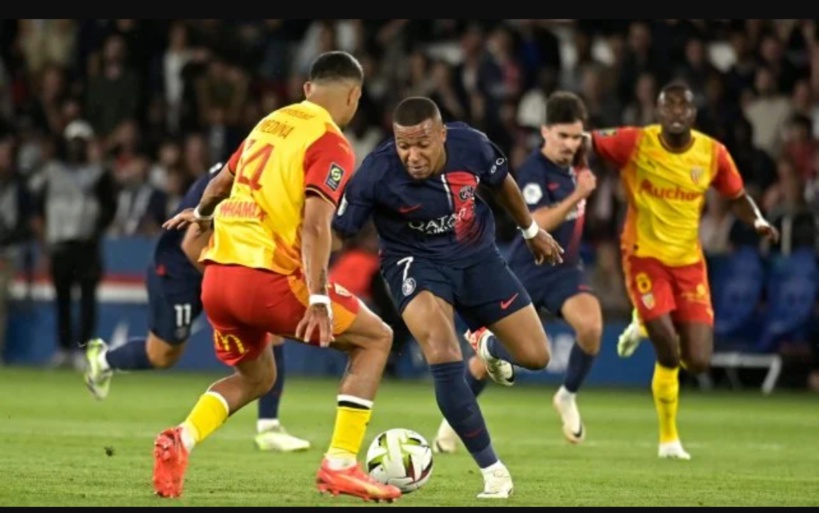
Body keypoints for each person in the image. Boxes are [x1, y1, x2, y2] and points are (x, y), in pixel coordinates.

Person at [155, 51, 400, 502]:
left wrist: (203, 215)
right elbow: (315, 225)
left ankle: (181, 438)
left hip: (218, 278)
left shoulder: (268, 123)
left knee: (257, 378)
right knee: (376, 339)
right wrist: (320, 298)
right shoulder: (332, 143)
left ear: (308, 89)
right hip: (268, 278)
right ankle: (341, 464)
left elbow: (215, 187)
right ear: (353, 96)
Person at [332, 96, 564, 499]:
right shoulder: (376, 172)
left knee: (536, 356)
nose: (412, 155)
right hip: (414, 262)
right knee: (441, 349)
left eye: (422, 144)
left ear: (442, 135)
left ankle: (481, 338)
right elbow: (339, 231)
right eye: (404, 146)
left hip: (477, 258)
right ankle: (493, 470)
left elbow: (502, 183)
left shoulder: (471, 145)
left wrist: (530, 231)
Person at [587, 81, 779, 459]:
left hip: (689, 263)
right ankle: (669, 438)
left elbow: (737, 197)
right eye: (668, 105)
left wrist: (756, 221)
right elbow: (588, 141)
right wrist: (567, 158)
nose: (676, 112)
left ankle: (643, 322)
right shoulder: (636, 142)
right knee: (668, 350)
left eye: (683, 106)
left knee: (699, 360)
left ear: (693, 114)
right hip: (644, 255)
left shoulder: (712, 153)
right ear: (658, 112)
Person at [82, 161, 310, 453]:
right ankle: (103, 360)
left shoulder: (255, 166)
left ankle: (269, 427)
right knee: (162, 355)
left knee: (267, 328)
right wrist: (231, 283)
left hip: (212, 267)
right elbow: (192, 245)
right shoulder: (241, 178)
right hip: (179, 270)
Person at [432, 91, 603, 452]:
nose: (570, 144)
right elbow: (538, 222)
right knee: (483, 363)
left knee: (591, 327)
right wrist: (578, 196)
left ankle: (567, 395)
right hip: (526, 267)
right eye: (563, 136)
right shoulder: (532, 172)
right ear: (545, 132)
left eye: (576, 137)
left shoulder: (579, 164)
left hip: (565, 270)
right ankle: (453, 421)